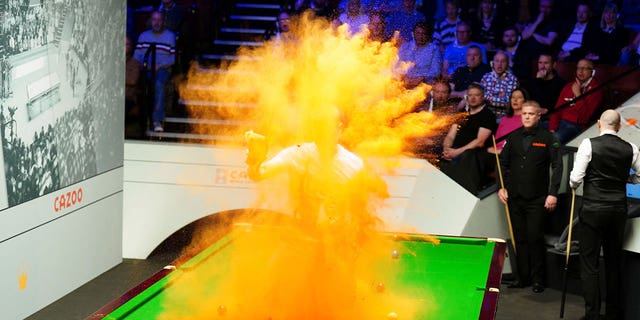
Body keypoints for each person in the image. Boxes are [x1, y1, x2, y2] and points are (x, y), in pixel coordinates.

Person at [569, 109, 640, 320]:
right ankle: (613, 314)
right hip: (618, 211)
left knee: (589, 265)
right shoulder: (631, 148)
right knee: (613, 262)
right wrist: (629, 180)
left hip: (592, 210)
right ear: (619, 126)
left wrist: (576, 183)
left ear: (599, 124)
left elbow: (575, 179)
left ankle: (592, 314)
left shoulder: (588, 144)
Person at [498, 100, 562, 293]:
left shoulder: (549, 138)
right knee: (519, 239)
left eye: (531, 114)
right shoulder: (514, 137)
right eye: (524, 113)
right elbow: (502, 163)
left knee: (535, 238)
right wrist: (500, 188)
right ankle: (522, 278)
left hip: (537, 198)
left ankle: (538, 280)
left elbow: (557, 166)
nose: (526, 116)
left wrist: (553, 193)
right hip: (515, 197)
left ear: (538, 116)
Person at [441, 83, 496, 193]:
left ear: (482, 97)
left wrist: (456, 152)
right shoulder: (462, 114)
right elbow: (451, 135)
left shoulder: (487, 115)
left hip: (474, 152)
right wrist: (447, 149)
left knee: (467, 155)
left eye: (476, 95)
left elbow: (479, 141)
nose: (473, 98)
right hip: (456, 150)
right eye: (470, 95)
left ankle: (463, 192)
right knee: (435, 152)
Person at [133, 11, 176, 132]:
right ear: (150, 21)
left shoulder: (170, 36)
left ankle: (157, 119)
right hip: (145, 69)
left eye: (159, 20)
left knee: (158, 83)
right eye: (154, 19)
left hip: (163, 69)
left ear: (163, 22)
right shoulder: (143, 36)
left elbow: (172, 58)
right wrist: (144, 66)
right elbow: (137, 56)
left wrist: (159, 65)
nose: (156, 22)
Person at [549, 59, 603, 143]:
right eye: (578, 68)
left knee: (556, 138)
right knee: (534, 129)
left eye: (584, 68)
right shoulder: (569, 86)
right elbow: (557, 110)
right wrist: (552, 128)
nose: (580, 71)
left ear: (592, 72)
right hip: (560, 122)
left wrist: (578, 94)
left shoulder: (596, 90)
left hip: (576, 126)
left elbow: (584, 117)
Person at [518, 0, 561, 78]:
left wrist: (533, 33)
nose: (544, 10)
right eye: (543, 6)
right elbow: (524, 36)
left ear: (552, 8)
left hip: (542, 54)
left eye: (548, 7)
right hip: (526, 54)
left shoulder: (555, 22)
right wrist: (537, 22)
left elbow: (549, 41)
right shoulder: (534, 19)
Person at [397, 22, 442, 87]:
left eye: (423, 34)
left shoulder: (434, 49)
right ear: (413, 34)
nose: (420, 36)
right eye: (418, 33)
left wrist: (421, 78)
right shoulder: (405, 47)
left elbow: (436, 71)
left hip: (424, 84)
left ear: (428, 35)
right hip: (404, 82)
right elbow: (397, 65)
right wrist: (404, 77)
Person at [524, 52, 565, 117]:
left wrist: (538, 81)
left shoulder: (560, 83)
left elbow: (546, 104)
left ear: (554, 65)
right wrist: (538, 81)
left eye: (546, 63)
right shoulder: (532, 81)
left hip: (547, 118)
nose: (542, 66)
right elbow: (527, 101)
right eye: (540, 63)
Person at [480, 50, 519, 118]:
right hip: (486, 114)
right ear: (492, 63)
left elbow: (508, 103)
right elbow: (480, 98)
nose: (499, 64)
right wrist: (499, 96)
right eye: (497, 61)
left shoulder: (512, 79)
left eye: (503, 61)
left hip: (503, 116)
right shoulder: (486, 77)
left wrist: (488, 97)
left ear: (507, 63)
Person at [489, 87, 529, 153]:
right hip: (496, 152)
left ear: (525, 101)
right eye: (513, 97)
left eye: (519, 97)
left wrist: (501, 152)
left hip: (512, 154)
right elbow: (496, 141)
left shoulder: (528, 119)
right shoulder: (504, 119)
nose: (515, 100)